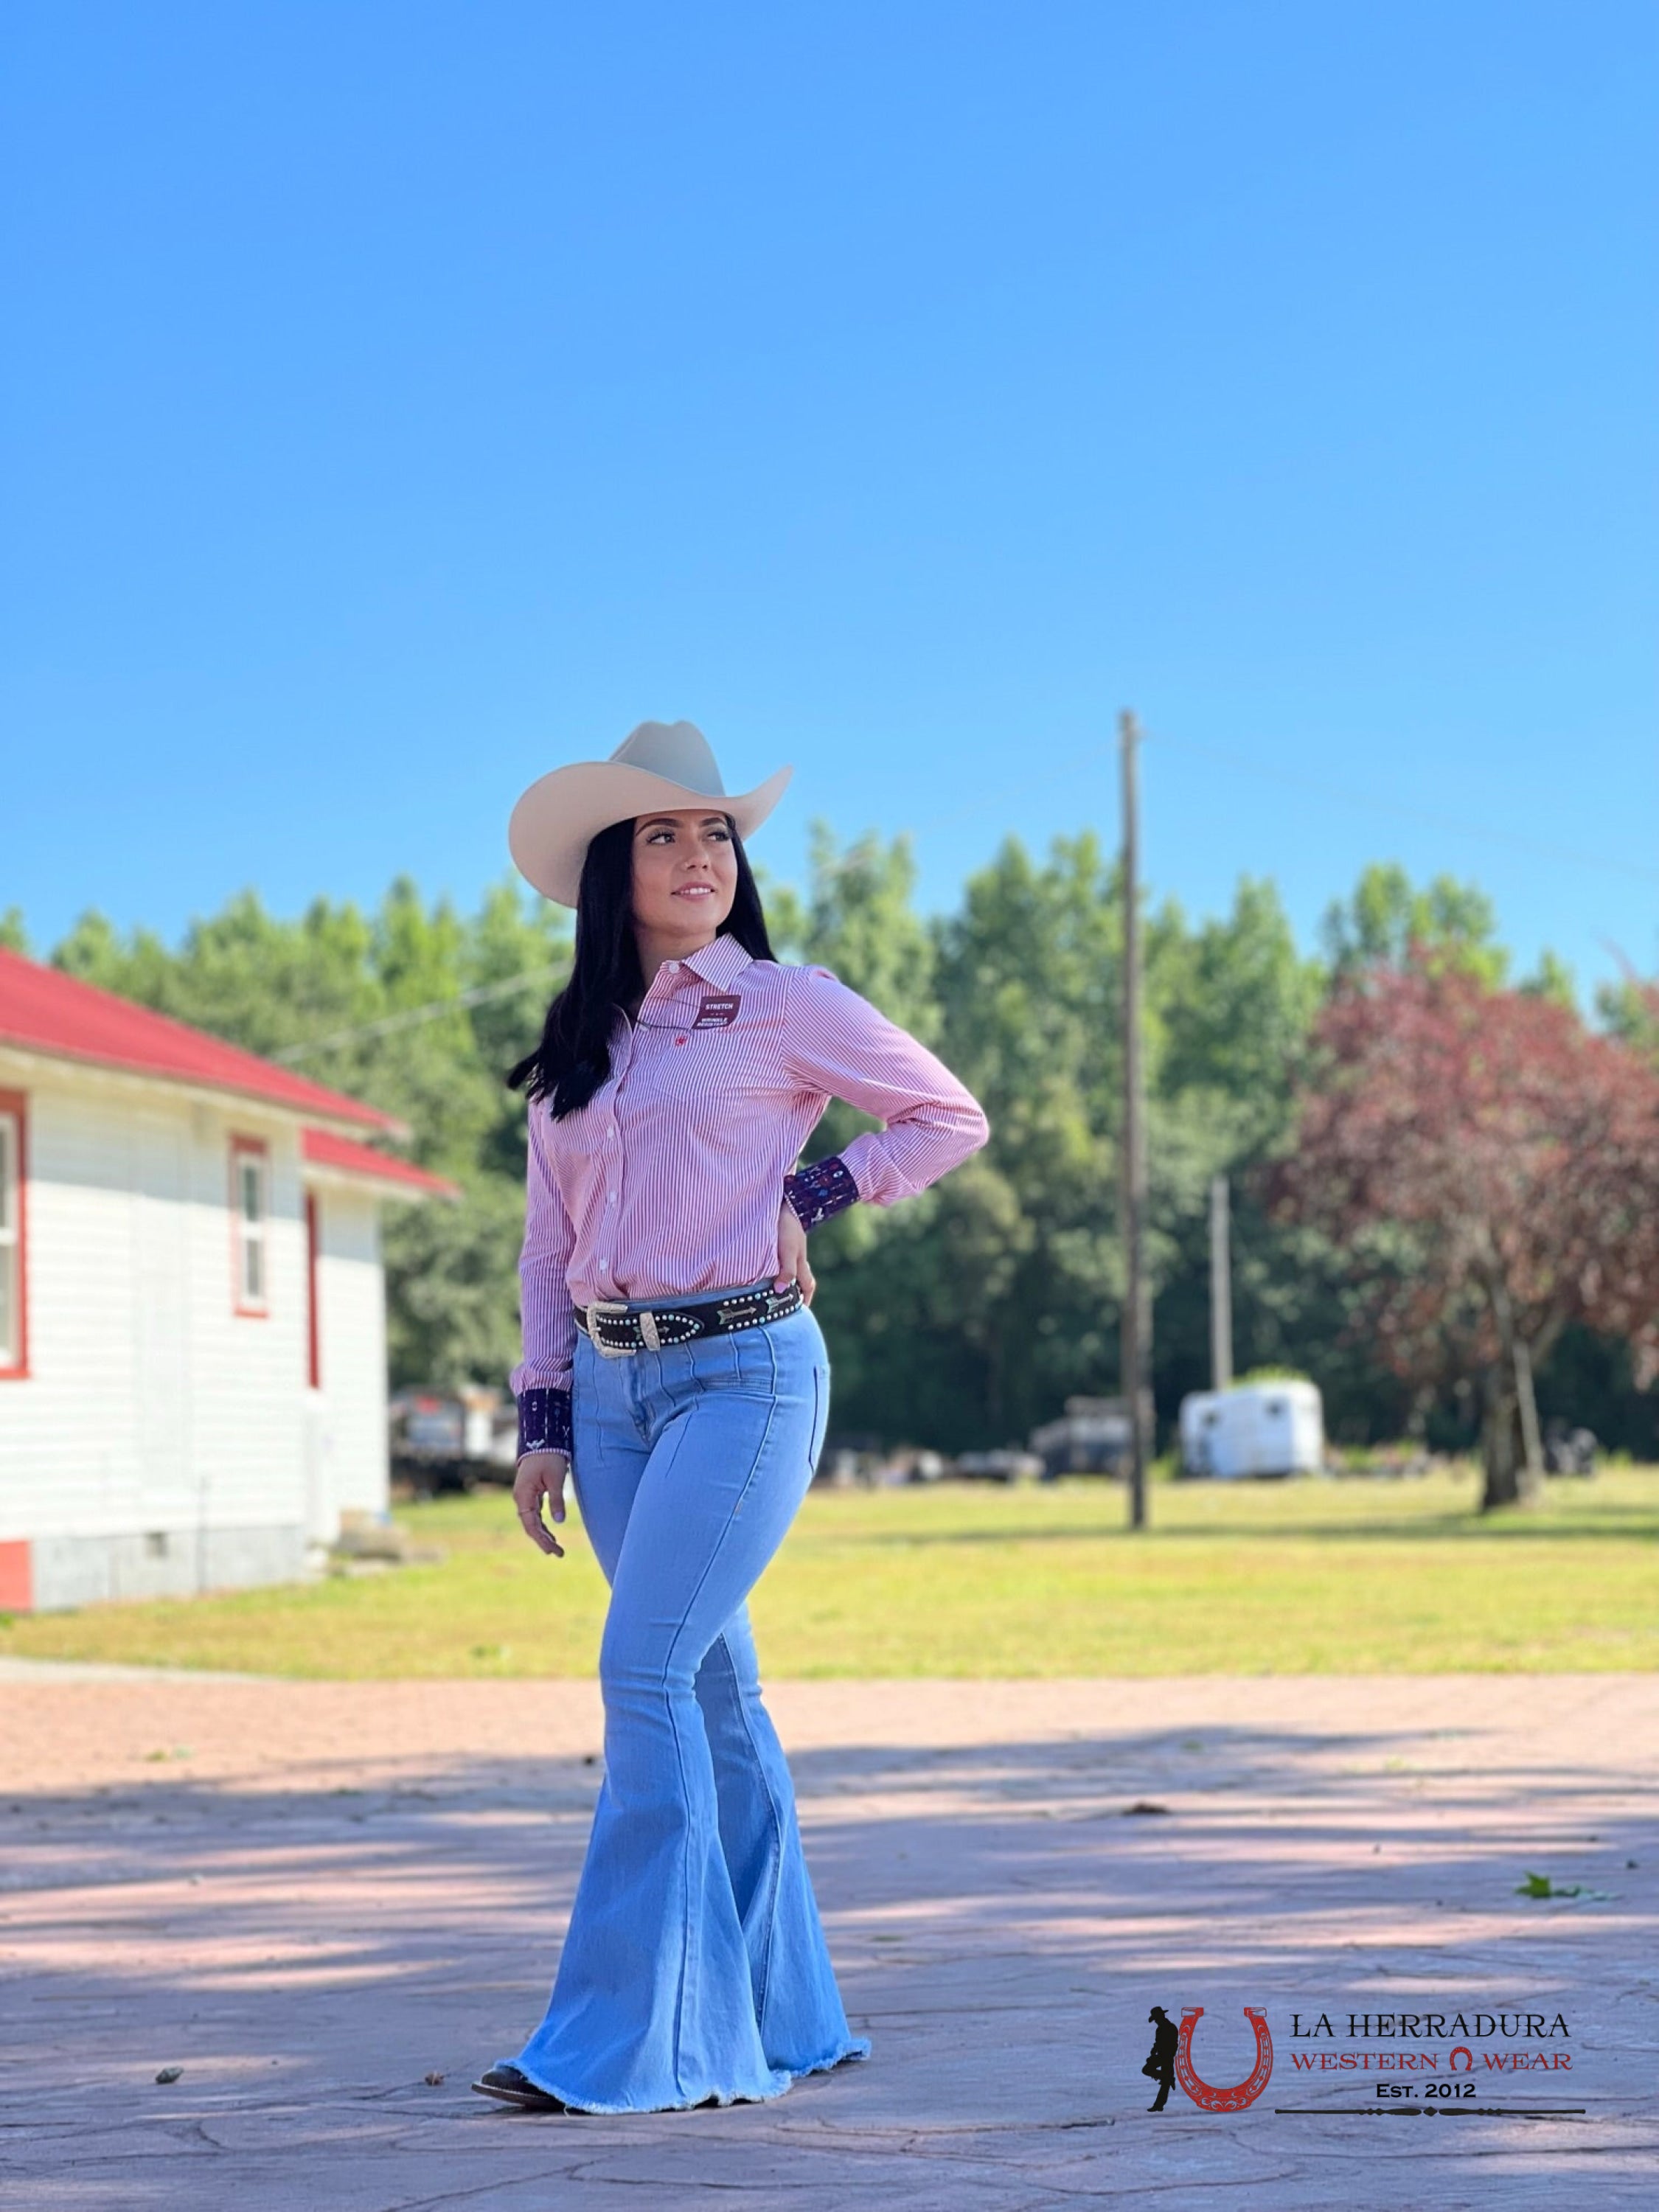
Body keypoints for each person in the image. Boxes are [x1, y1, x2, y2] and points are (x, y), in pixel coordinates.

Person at [473, 720, 990, 2116]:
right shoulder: (580, 1046)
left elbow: (947, 1117)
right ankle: (783, 2016)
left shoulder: (784, 1002)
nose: (700, 856)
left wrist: (808, 1194)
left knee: (639, 1676)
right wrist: (543, 1420)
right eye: (664, 833)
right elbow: (543, 1250)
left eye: (717, 833)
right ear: (609, 868)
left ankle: (635, 2043)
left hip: (747, 1376)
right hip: (616, 1391)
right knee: (714, 1693)